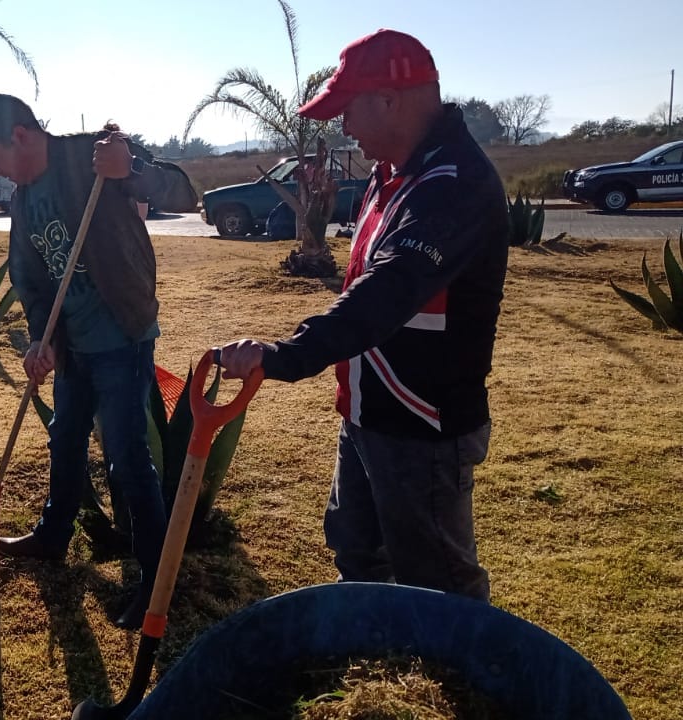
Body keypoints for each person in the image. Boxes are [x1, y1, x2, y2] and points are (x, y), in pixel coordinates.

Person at [218, 29, 508, 602]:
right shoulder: (391, 172)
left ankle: (463, 683)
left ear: (389, 99)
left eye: (346, 110)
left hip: (421, 422)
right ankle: (377, 652)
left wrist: (286, 355)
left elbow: (388, 294)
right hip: (367, 408)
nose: (343, 127)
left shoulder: (454, 187)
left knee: (437, 581)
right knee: (356, 546)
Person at [0, 93, 194, 628]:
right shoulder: (22, 198)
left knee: (127, 456)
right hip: (74, 341)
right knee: (64, 436)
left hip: (122, 336)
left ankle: (157, 583)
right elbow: (30, 278)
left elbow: (181, 189)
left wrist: (130, 169)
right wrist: (42, 340)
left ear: (19, 136)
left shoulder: (92, 157)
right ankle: (53, 534)